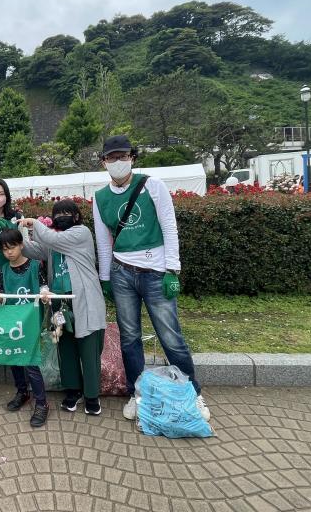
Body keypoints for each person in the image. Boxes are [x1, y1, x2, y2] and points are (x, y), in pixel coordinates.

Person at [92, 135, 210, 422]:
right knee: (130, 338)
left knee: (170, 335)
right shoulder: (100, 198)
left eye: (123, 156)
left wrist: (173, 269)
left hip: (156, 272)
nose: (118, 162)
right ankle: (137, 393)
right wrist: (106, 277)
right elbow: (103, 242)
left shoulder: (151, 185)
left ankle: (192, 394)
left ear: (132, 157)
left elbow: (169, 227)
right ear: (103, 162)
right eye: (112, 157)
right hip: (121, 274)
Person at [19, 200, 106, 416]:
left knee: (88, 349)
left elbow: (50, 237)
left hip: (84, 300)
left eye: (68, 212)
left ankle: (92, 395)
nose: (63, 216)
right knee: (65, 347)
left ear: (77, 216)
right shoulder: (53, 243)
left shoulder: (81, 233)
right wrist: (19, 229)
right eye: (58, 213)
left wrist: (34, 223)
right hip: (60, 302)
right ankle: (73, 390)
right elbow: (30, 249)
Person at [0, 228, 51, 428]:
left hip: (30, 322)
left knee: (31, 363)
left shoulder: (35, 266)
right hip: (12, 322)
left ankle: (41, 403)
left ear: (21, 244)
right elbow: (2, 295)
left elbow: (43, 286)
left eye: (13, 247)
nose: (9, 252)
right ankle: (22, 392)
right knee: (14, 358)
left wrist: (45, 294)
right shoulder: (3, 270)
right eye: (5, 249)